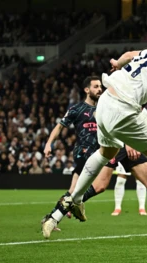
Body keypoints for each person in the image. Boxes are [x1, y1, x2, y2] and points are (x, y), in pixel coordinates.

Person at [42, 24, 147, 244]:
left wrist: (117, 63)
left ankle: (73, 199)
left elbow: (130, 55)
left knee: (106, 151)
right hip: (124, 108)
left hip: (104, 104)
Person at [40, 76, 102, 231]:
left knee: (90, 188)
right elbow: (60, 127)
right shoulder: (77, 109)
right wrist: (49, 143)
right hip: (84, 152)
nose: (99, 89)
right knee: (81, 188)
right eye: (95, 86)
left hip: (100, 153)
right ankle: (60, 214)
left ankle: (54, 216)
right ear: (87, 90)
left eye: (100, 86)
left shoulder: (104, 108)